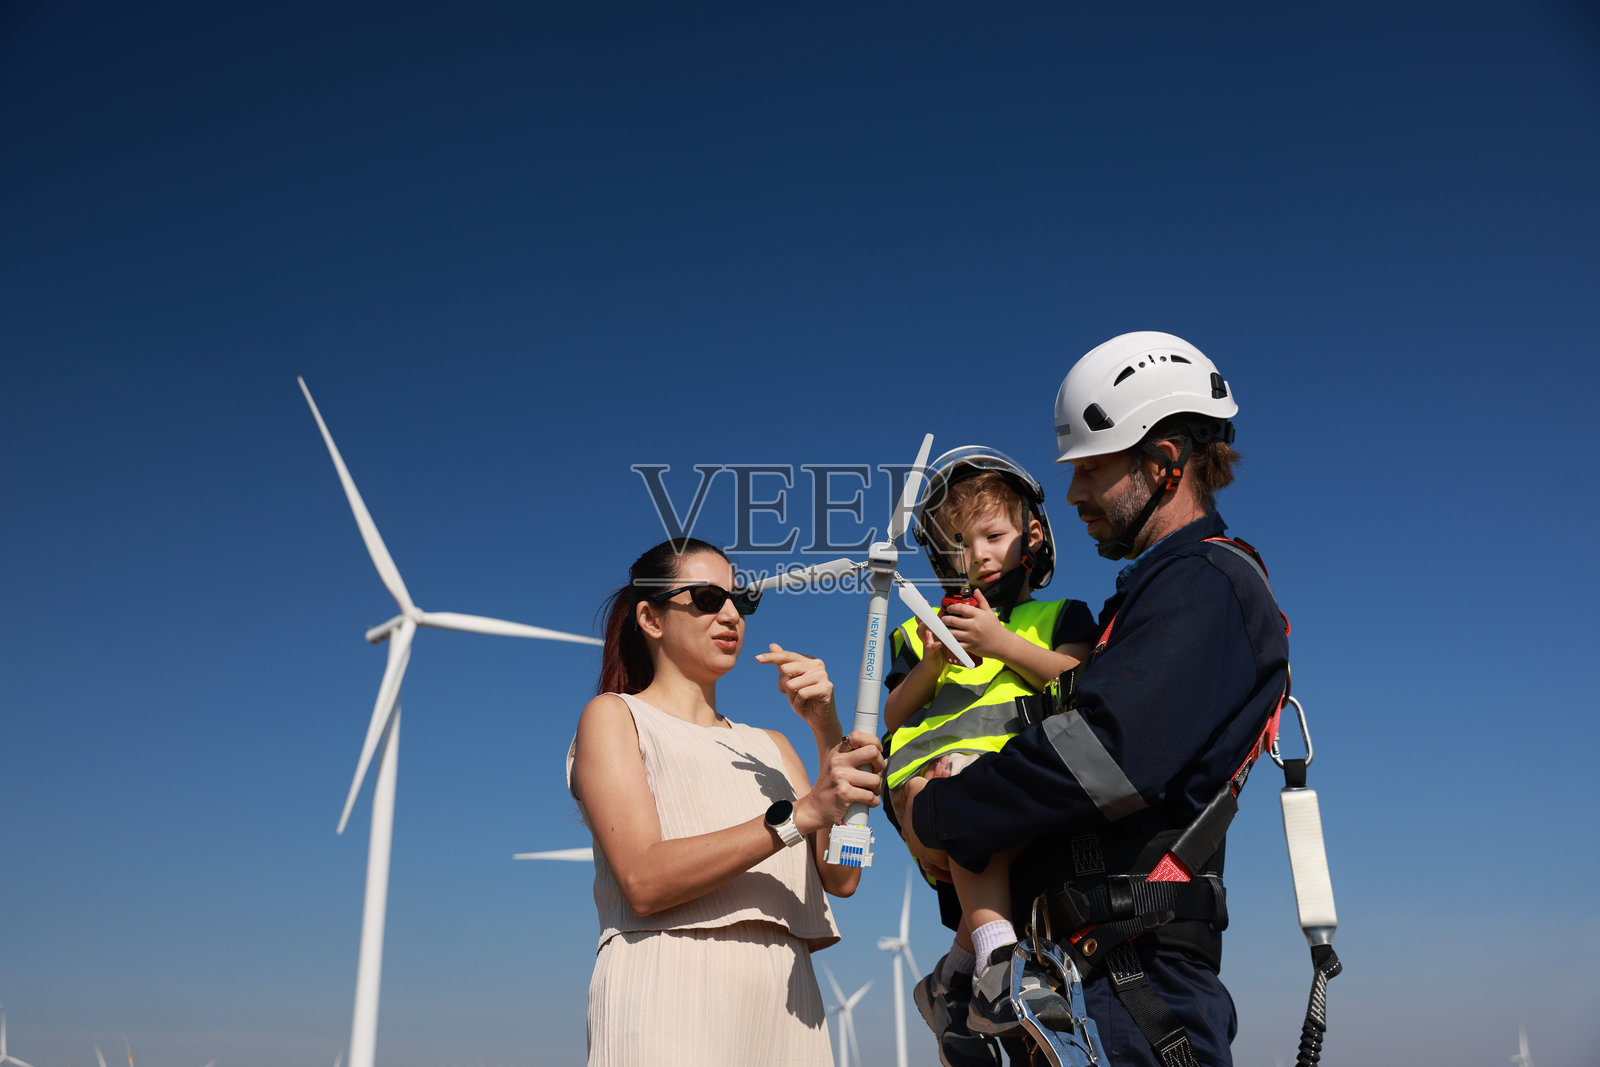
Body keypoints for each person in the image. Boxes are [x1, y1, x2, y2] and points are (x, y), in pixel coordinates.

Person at [906, 332, 1290, 1067]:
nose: (1075, 492)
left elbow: (1101, 755)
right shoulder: (1152, 597)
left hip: (1133, 991)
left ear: (1164, 459)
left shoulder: (1205, 586)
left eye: (1089, 467)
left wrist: (937, 812)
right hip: (1084, 980)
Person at [567, 537, 886, 1066]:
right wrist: (799, 816)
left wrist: (826, 727)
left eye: (742, 599)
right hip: (668, 991)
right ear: (651, 619)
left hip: (787, 1006)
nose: (732, 613)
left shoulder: (775, 746)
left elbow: (843, 876)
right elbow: (644, 881)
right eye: (707, 598)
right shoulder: (615, 717)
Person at [880, 448, 1098, 1058]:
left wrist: (1003, 643)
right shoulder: (916, 632)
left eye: (993, 535)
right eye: (959, 543)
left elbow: (1080, 681)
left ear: (1031, 534)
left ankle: (954, 979)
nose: (976, 555)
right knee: (969, 802)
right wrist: (929, 665)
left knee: (988, 829)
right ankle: (1001, 971)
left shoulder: (1059, 616)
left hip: (1017, 793)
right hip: (927, 789)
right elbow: (889, 715)